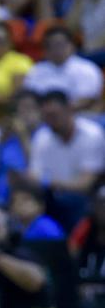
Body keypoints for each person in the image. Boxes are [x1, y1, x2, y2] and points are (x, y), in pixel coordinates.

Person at [27, 90, 105, 230]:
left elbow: (85, 184)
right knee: (28, 207)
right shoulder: (42, 136)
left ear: (69, 109)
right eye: (46, 116)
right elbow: (32, 176)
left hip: (85, 200)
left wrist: (48, 181)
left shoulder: (92, 134)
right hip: (51, 197)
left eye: (54, 115)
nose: (50, 121)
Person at [23, 26, 103, 111]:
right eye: (51, 46)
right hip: (41, 117)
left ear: (72, 46)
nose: (56, 49)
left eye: (60, 45)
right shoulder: (36, 70)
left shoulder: (87, 69)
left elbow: (87, 99)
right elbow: (29, 97)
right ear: (45, 50)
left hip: (79, 115)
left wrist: (57, 112)